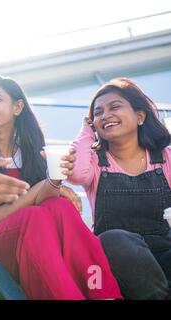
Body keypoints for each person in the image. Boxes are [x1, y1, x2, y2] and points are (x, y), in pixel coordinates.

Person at [0, 75, 122, 300]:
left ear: (18, 107)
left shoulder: (29, 149)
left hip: (28, 236)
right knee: (34, 216)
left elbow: (43, 199)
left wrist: (55, 184)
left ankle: (102, 294)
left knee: (59, 206)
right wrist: (42, 187)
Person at [68, 77, 171, 299]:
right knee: (113, 239)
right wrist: (86, 131)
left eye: (114, 107)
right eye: (98, 113)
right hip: (121, 263)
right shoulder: (95, 163)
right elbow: (76, 174)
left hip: (166, 252)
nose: (105, 115)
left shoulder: (165, 158)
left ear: (140, 116)